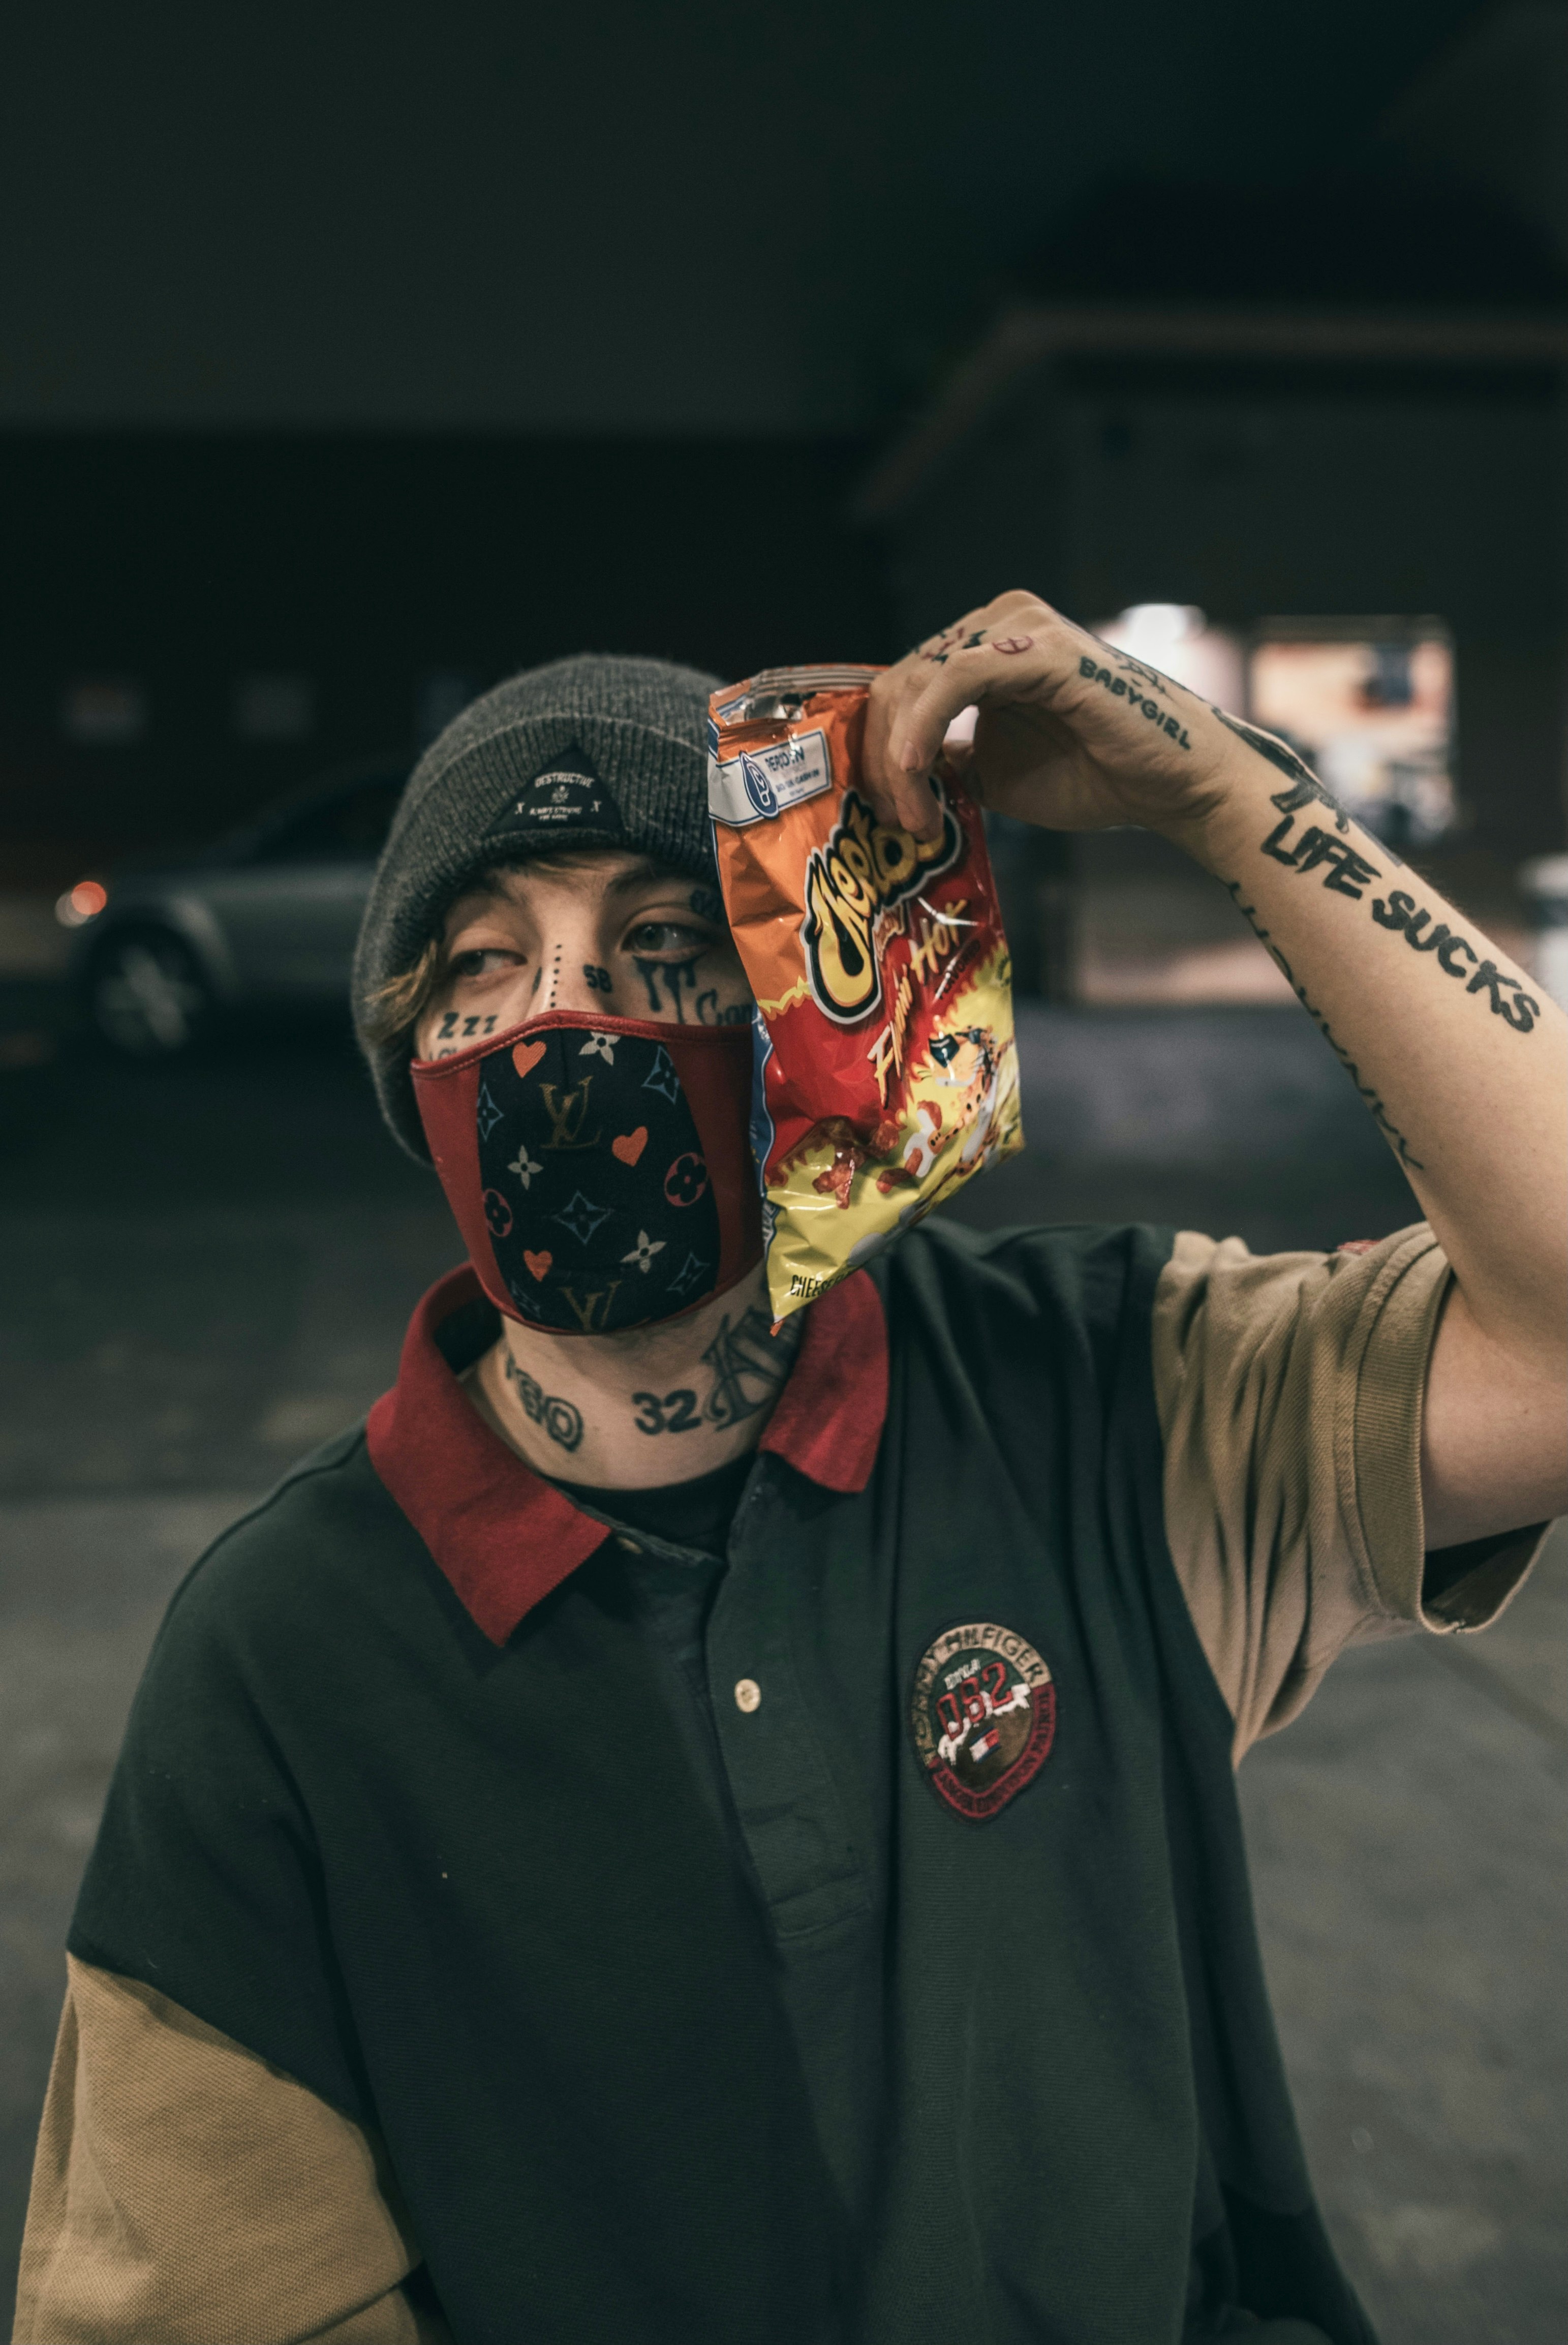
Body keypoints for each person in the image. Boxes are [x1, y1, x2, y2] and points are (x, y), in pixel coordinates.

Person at [14, 597, 1564, 2345]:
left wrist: (1231, 799)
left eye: (667, 939)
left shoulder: (1096, 1393)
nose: (566, 1020)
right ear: (417, 1074)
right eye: (479, 966)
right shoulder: (284, 1655)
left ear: (804, 1026)